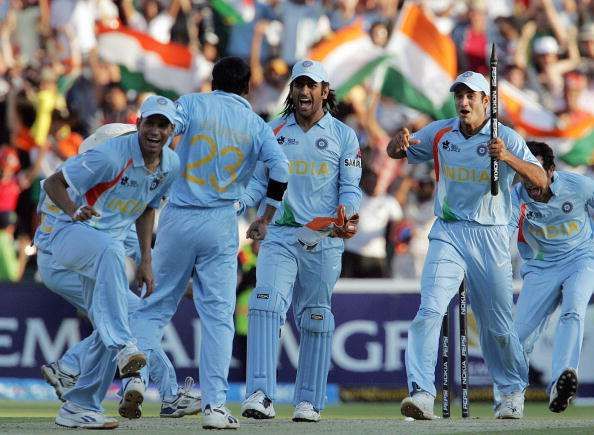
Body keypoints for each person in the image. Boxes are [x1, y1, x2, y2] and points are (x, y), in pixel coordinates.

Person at [129, 56, 288, 430]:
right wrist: (265, 217)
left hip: (179, 215)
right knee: (219, 319)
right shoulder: (256, 124)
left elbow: (165, 130)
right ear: (248, 87)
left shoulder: (193, 104)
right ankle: (215, 407)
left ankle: (136, 376)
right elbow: (280, 171)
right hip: (221, 223)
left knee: (152, 308)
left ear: (212, 81)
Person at [386, 71, 547, 420]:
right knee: (429, 308)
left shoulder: (506, 138)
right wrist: (396, 145)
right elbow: (397, 151)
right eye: (459, 95)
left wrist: (507, 158)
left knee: (497, 324)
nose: (463, 101)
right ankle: (422, 393)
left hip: (491, 235)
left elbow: (540, 180)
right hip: (448, 231)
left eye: (471, 95)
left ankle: (510, 392)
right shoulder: (441, 131)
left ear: (486, 101)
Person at [36, 122, 200, 419]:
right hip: (64, 264)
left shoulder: (93, 175)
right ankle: (80, 369)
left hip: (61, 262)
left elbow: (131, 241)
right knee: (131, 315)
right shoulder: (97, 181)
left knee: (121, 316)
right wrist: (171, 281)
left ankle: (110, 387)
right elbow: (121, 240)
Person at [239, 59, 362, 422]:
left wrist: (347, 215)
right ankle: (260, 395)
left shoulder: (344, 135)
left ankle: (308, 401)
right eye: (299, 85)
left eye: (312, 86)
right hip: (280, 234)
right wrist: (241, 206)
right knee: (263, 305)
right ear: (291, 91)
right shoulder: (273, 130)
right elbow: (260, 183)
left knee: (316, 317)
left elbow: (351, 188)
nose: (305, 92)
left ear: (325, 91)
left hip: (323, 237)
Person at [509, 141, 594, 413]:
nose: (529, 180)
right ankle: (510, 399)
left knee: (574, 311)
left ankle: (561, 380)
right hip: (540, 269)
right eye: (524, 172)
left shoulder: (578, 186)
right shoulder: (515, 197)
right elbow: (500, 233)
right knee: (517, 338)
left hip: (580, 259)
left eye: (535, 171)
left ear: (551, 170)